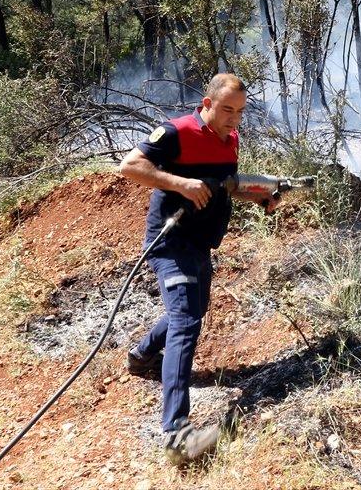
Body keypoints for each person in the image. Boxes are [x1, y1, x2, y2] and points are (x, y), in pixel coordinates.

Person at [118, 73, 276, 464]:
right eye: (227, 110)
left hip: (200, 243)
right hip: (170, 242)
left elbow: (225, 185)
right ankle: (176, 433)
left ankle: (142, 356)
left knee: (192, 310)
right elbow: (130, 166)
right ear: (207, 104)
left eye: (240, 112)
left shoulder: (230, 139)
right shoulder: (177, 132)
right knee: (186, 320)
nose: (234, 119)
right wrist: (179, 183)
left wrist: (262, 197)